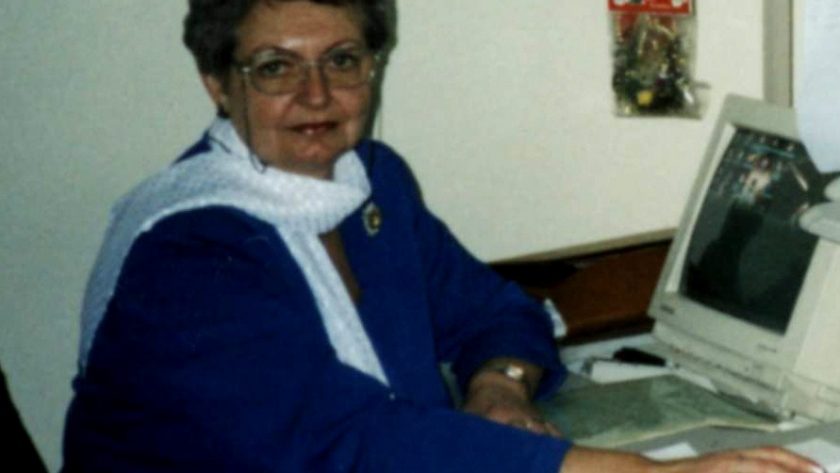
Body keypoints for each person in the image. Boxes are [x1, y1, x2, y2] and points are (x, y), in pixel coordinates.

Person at [61, 1, 824, 472]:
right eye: (274, 68)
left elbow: (494, 309)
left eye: (342, 60)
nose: (316, 95)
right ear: (218, 84)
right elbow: (347, 444)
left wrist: (499, 384)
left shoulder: (370, 183)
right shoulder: (189, 252)